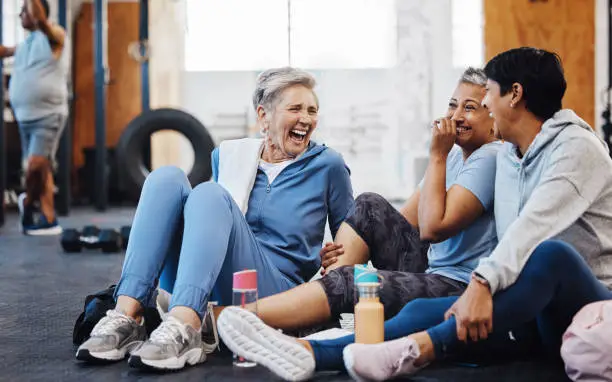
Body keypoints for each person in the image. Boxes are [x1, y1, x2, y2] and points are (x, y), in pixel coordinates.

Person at [215, 47, 612, 382]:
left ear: (514, 95)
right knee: (417, 306)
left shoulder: (576, 149)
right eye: (458, 104)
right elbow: (408, 223)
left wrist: (481, 284)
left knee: (550, 254)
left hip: (586, 305)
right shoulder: (511, 153)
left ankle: (408, 346)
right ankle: (310, 350)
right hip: (527, 304)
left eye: (485, 96)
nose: (480, 107)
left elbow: (529, 230)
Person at [75, 67, 354, 371]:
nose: (307, 118)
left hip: (277, 292)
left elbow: (354, 241)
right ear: (264, 116)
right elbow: (217, 229)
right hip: (210, 281)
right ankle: (126, 317)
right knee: (166, 178)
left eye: (312, 110)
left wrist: (334, 258)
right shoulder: (228, 156)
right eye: (296, 108)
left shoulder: (328, 165)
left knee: (209, 194)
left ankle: (186, 326)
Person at [212, 67, 501, 333]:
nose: (456, 116)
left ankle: (230, 317)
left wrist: (436, 155)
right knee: (369, 204)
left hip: (457, 282)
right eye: (453, 105)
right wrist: (342, 249)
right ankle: (321, 298)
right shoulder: (452, 156)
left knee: (352, 283)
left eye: (470, 108)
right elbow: (401, 222)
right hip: (429, 265)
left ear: (493, 119)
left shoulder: (488, 156)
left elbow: (431, 228)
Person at [0, 0, 69, 235]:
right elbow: (3, 51)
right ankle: (49, 218)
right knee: (42, 169)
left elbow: (40, 20)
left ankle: (27, 204)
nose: (20, 15)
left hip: (47, 115)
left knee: (35, 166)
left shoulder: (55, 35)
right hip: (24, 117)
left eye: (24, 11)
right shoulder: (24, 45)